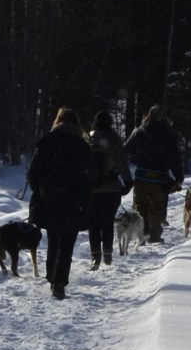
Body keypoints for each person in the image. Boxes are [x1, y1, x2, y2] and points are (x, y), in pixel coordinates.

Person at [25, 107, 96, 300]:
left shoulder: (46, 142)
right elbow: (92, 173)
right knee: (67, 243)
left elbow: (32, 173)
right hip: (74, 201)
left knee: (53, 240)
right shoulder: (81, 145)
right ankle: (59, 282)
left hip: (49, 199)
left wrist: (39, 191)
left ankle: (52, 277)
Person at [125, 102, 185, 242]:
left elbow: (125, 150)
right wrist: (179, 177)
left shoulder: (138, 132)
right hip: (159, 178)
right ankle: (155, 235)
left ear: (147, 116)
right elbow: (174, 158)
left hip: (140, 176)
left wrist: (135, 158)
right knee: (156, 207)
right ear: (161, 117)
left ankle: (142, 233)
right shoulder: (167, 135)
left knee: (140, 205)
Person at [85, 109, 132, 268]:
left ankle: (95, 256)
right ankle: (107, 252)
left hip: (91, 189)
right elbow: (121, 162)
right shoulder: (114, 140)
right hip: (111, 188)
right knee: (107, 221)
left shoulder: (88, 139)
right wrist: (128, 181)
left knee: (93, 223)